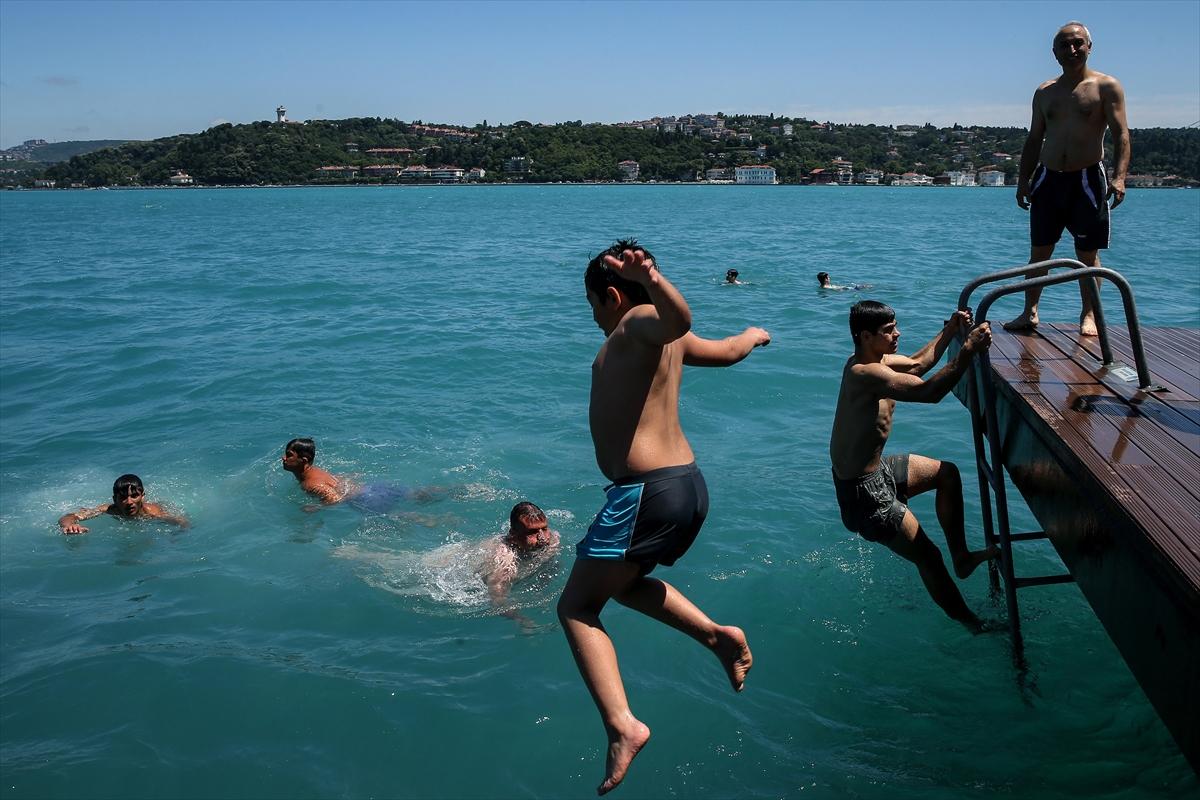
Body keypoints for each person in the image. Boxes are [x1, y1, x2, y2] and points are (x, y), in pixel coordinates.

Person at [558, 240, 769, 795]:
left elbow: (677, 315)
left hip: (645, 493)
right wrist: (753, 335)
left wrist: (650, 279)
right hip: (683, 487)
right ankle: (718, 637)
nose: (594, 317)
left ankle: (623, 726)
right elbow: (725, 350)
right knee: (625, 587)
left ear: (609, 296)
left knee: (577, 607)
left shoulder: (634, 327)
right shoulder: (660, 344)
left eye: (592, 304)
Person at [830, 301, 998, 630]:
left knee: (946, 474)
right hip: (863, 494)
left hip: (878, 471)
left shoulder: (878, 361)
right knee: (930, 558)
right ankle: (974, 625)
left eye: (895, 326)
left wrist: (949, 330)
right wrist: (967, 350)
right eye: (888, 330)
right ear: (865, 336)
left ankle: (962, 559)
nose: (897, 333)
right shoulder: (864, 373)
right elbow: (930, 392)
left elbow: (919, 365)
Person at [1004, 21, 1130, 336]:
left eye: (1077, 43)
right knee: (1039, 251)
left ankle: (1089, 316)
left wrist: (1120, 177)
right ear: (1054, 52)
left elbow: (1121, 134)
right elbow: (1034, 139)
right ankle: (1029, 311)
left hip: (1086, 179)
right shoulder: (1045, 92)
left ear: (1089, 46)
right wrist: (1023, 180)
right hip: (1048, 178)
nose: (1071, 50)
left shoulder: (1106, 86)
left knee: (1087, 254)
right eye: (1064, 45)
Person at [280, 438, 446, 513]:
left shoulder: (310, 484)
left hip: (367, 500)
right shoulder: (316, 471)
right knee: (417, 494)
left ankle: (445, 520)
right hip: (374, 487)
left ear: (303, 460)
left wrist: (317, 507)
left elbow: (335, 499)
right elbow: (337, 481)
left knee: (404, 516)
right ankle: (460, 489)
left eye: (289, 455)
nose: (284, 458)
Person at [481, 501, 561, 631]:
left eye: (544, 528)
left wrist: (540, 591)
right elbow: (496, 600)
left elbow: (550, 566)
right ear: (513, 535)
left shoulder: (552, 540)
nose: (542, 538)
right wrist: (522, 620)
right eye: (532, 532)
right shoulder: (504, 560)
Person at [57, 474, 189, 534]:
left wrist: (179, 533)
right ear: (115, 499)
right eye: (123, 498)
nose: (129, 502)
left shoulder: (152, 512)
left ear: (142, 497)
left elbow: (182, 521)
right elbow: (69, 516)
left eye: (134, 496)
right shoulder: (109, 509)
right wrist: (70, 525)